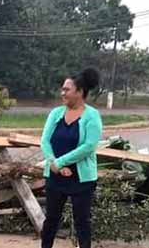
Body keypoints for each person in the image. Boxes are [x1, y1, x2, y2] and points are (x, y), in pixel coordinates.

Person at [39, 68, 103, 248]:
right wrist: (54, 164)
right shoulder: (55, 113)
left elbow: (89, 146)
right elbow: (44, 141)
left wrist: (60, 162)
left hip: (81, 180)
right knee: (51, 220)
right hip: (55, 176)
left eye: (67, 89)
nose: (62, 93)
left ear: (80, 92)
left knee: (82, 222)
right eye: (62, 89)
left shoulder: (92, 116)